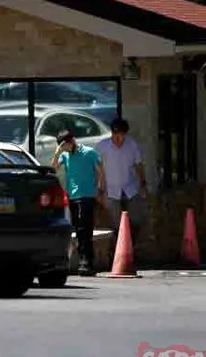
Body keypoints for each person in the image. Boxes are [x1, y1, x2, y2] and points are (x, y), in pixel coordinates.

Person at [51, 129, 105, 276]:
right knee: (78, 228)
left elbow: (100, 170)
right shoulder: (65, 155)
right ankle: (84, 260)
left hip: (87, 195)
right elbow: (53, 168)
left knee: (84, 228)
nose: (65, 148)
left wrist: (100, 189)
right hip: (72, 197)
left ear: (72, 141)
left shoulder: (89, 152)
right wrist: (57, 152)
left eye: (65, 145)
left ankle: (86, 262)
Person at [95, 118, 147, 247]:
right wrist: (98, 189)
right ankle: (119, 251)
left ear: (125, 135)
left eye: (121, 136)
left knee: (136, 220)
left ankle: (131, 246)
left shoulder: (132, 144)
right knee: (116, 223)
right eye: (115, 136)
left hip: (130, 188)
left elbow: (138, 164)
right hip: (111, 190)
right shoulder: (102, 146)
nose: (118, 139)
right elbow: (95, 168)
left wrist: (142, 183)